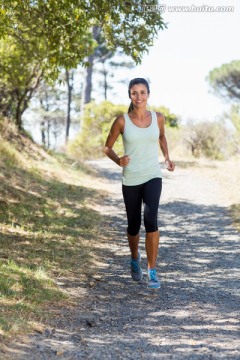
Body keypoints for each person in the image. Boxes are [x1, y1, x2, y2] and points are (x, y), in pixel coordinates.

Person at [104, 78, 175, 289]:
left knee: (151, 219)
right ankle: (135, 258)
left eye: (142, 92)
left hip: (153, 174)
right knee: (133, 225)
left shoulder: (158, 118)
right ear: (129, 95)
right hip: (131, 177)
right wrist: (119, 160)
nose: (139, 97)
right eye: (134, 93)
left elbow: (161, 137)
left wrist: (167, 157)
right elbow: (107, 148)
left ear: (148, 94)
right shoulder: (121, 121)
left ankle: (152, 271)